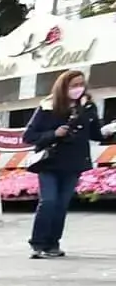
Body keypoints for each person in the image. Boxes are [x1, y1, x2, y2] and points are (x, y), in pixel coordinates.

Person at [25, 67, 110, 259]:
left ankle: (53, 243)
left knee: (61, 204)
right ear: (64, 87)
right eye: (74, 85)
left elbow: (95, 133)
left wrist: (109, 128)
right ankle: (38, 243)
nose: (78, 89)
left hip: (74, 162)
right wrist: (54, 134)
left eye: (81, 84)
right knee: (48, 201)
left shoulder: (88, 106)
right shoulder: (48, 106)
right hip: (50, 161)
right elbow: (29, 136)